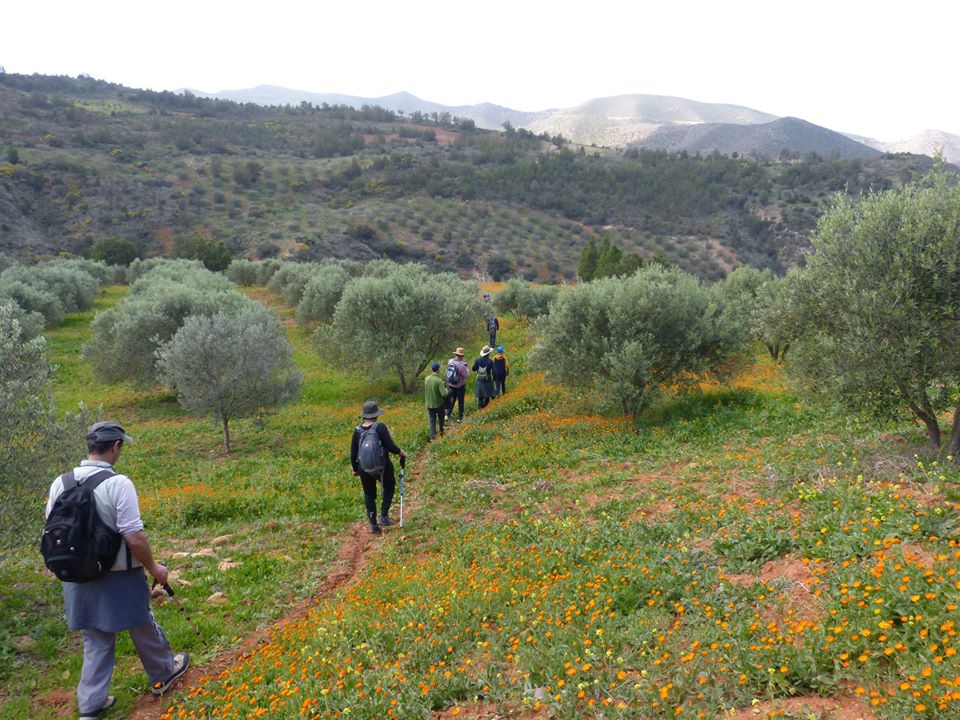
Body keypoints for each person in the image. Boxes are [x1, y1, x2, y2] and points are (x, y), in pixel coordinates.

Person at [45, 421, 189, 720]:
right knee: (141, 622)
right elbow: (133, 535)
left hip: (76, 573)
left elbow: (52, 527)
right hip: (119, 573)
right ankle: (164, 672)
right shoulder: (118, 483)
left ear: (90, 446)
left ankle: (91, 705)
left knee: (96, 636)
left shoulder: (61, 482)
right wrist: (154, 568)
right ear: (116, 446)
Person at [350, 401, 407, 534]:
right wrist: (400, 452)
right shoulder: (380, 427)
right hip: (382, 466)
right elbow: (390, 446)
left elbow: (353, 452)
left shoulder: (357, 431)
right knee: (389, 487)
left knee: (369, 495)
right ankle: (384, 515)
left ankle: (373, 524)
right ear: (376, 415)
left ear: (364, 416)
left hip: (364, 468)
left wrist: (355, 469)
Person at [443, 347, 470, 424]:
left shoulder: (450, 361)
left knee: (451, 400)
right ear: (462, 356)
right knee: (460, 402)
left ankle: (447, 415)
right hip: (459, 386)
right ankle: (460, 418)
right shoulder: (462, 366)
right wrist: (466, 367)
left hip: (450, 385)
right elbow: (466, 375)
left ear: (456, 354)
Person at [424, 362, 448, 440]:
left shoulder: (427, 379)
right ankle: (441, 432)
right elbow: (444, 394)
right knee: (441, 418)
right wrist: (446, 389)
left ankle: (432, 436)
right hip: (438, 404)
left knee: (432, 420)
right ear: (438, 370)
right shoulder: (439, 381)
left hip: (429, 404)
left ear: (432, 369)